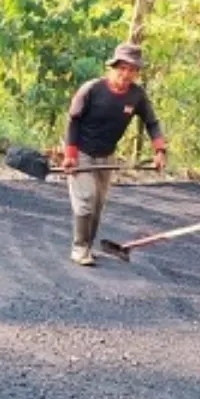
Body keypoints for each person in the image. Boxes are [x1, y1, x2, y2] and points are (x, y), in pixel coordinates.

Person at [62, 43, 167, 266]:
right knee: (86, 200)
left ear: (136, 72)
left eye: (131, 70)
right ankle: (79, 249)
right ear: (113, 67)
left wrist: (159, 151)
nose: (126, 74)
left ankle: (88, 246)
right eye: (122, 68)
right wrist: (70, 155)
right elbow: (73, 120)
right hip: (81, 153)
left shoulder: (137, 96)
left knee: (98, 205)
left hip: (106, 157)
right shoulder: (91, 90)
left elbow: (152, 123)